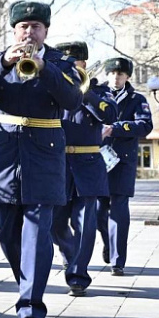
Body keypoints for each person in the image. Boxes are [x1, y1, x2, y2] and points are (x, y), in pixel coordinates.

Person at [0, 1, 82, 318]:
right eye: (23, 27)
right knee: (6, 233)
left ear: (46, 31)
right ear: (14, 30)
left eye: (35, 26)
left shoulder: (59, 62)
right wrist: (4, 62)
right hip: (4, 155)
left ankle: (31, 306)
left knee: (36, 231)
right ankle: (28, 284)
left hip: (44, 154)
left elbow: (73, 101)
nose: (29, 32)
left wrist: (44, 67)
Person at [50, 42, 118, 297]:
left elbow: (110, 115)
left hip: (88, 165)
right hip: (57, 166)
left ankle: (78, 275)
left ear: (84, 64)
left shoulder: (98, 90)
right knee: (54, 224)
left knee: (84, 224)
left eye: (74, 63)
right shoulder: (52, 89)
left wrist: (85, 92)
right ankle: (70, 256)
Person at [96, 57, 153, 277]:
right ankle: (109, 244)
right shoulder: (97, 95)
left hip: (122, 161)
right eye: (112, 73)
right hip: (98, 159)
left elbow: (145, 125)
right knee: (99, 211)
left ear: (127, 76)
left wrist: (115, 128)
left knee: (119, 209)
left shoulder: (137, 99)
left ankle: (118, 261)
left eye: (120, 74)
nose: (116, 77)